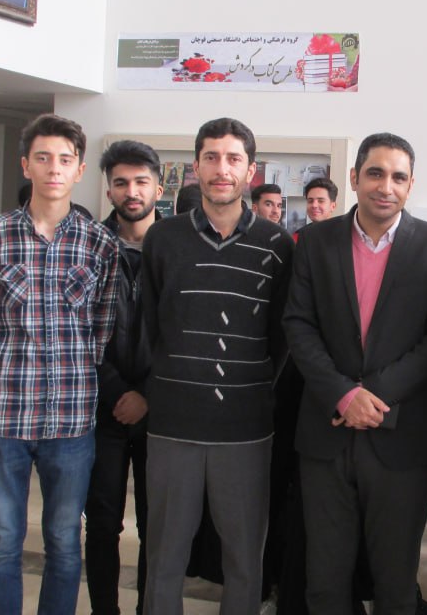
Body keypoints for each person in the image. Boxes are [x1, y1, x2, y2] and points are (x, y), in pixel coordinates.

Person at [284, 133, 427, 614]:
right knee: (324, 581)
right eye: (376, 173)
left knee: (395, 584)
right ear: (354, 177)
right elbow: (298, 324)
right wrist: (343, 395)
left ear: (411, 185)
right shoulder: (315, 241)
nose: (386, 186)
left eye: (398, 177)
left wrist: (372, 395)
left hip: (401, 438)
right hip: (327, 433)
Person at [0, 114, 120, 615]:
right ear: (26, 165)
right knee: (2, 539)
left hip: (70, 421)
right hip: (5, 419)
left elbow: (101, 332)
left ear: (79, 170)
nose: (54, 168)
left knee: (63, 540)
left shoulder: (99, 243)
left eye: (64, 159)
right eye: (43, 158)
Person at [140, 118, 292, 615]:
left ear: (251, 169)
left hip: (246, 428)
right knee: (164, 555)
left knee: (245, 559)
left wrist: (255, 388)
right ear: (195, 167)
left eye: (233, 159)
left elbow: (282, 337)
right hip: (173, 423)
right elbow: (149, 323)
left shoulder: (277, 245)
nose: (221, 169)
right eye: (211, 157)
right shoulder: (163, 238)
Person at [85, 140, 164, 615]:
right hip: (104, 407)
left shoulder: (177, 248)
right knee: (101, 522)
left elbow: (187, 332)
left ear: (158, 187)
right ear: (109, 189)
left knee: (157, 526)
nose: (131, 192)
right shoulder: (89, 247)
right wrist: (117, 391)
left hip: (162, 411)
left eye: (140, 182)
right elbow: (77, 327)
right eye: (121, 183)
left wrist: (148, 394)